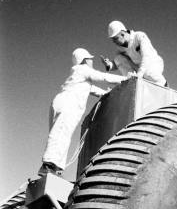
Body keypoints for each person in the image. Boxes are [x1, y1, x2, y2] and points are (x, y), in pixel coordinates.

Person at [38, 48, 129, 176]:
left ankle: (55, 168)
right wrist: (125, 79)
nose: (92, 61)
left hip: (61, 102)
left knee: (61, 134)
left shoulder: (78, 76)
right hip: (67, 103)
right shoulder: (82, 69)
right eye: (90, 59)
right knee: (61, 134)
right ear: (84, 60)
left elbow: (92, 89)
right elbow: (103, 76)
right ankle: (48, 166)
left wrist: (106, 93)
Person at [101, 20, 167, 86]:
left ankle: (164, 84)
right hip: (138, 68)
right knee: (118, 58)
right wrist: (108, 65)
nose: (113, 41)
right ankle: (131, 83)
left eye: (115, 38)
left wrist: (139, 75)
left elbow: (146, 57)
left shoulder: (139, 36)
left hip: (152, 63)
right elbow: (117, 64)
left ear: (122, 34)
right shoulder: (120, 49)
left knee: (147, 73)